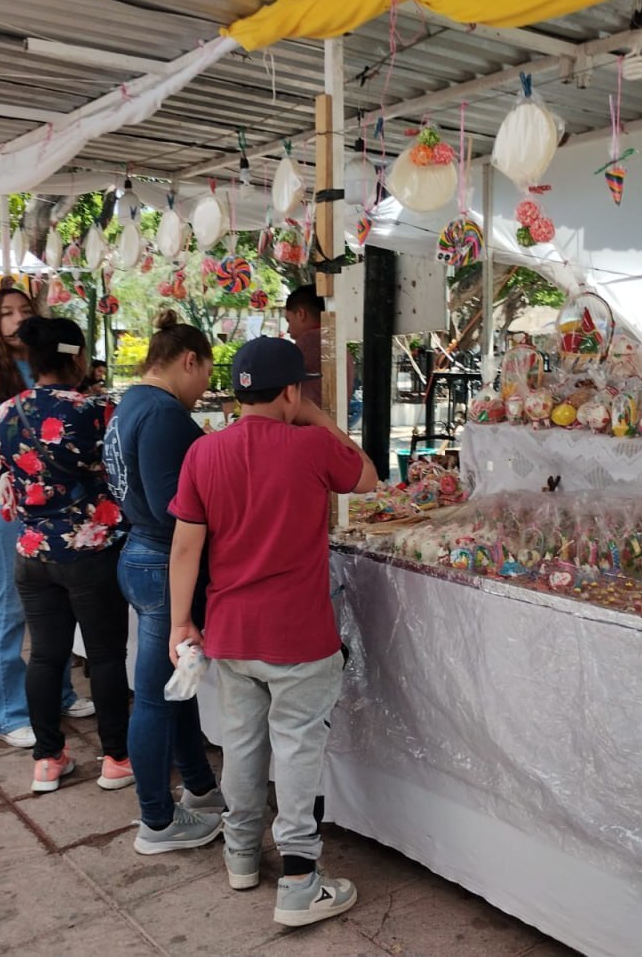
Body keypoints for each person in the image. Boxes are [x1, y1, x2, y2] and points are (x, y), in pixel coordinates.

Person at [167, 336, 377, 926]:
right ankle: (299, 881)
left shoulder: (204, 454)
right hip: (299, 638)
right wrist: (314, 414)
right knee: (297, 751)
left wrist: (183, 622)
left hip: (230, 635)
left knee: (242, 748)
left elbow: (186, 546)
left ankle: (239, 857)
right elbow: (368, 477)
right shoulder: (311, 447)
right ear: (290, 390)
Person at [0, 316, 130, 794]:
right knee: (107, 657)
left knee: (46, 657)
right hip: (90, 549)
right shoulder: (98, 410)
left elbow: (4, 473)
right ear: (75, 357)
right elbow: (121, 471)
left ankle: (48, 759)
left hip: (31, 551)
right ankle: (116, 758)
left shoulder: (7, 411)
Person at [103, 310, 223, 854]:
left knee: (179, 687)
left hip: (140, 555)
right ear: (188, 360)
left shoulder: (128, 404)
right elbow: (174, 510)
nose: (207, 387)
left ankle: (199, 787)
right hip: (161, 563)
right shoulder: (164, 413)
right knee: (154, 698)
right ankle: (156, 820)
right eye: (207, 373)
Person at [0, 286, 90, 749]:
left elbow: (79, 348)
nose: (16, 320)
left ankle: (61, 693)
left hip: (56, 507)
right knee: (11, 607)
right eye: (6, 313)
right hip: (6, 502)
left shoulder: (52, 367)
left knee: (58, 604)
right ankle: (10, 712)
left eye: (25, 312)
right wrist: (28, 449)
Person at [283, 285, 360, 422]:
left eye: (289, 320)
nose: (288, 330)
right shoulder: (336, 342)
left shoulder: (309, 340)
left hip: (310, 430)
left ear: (301, 314)